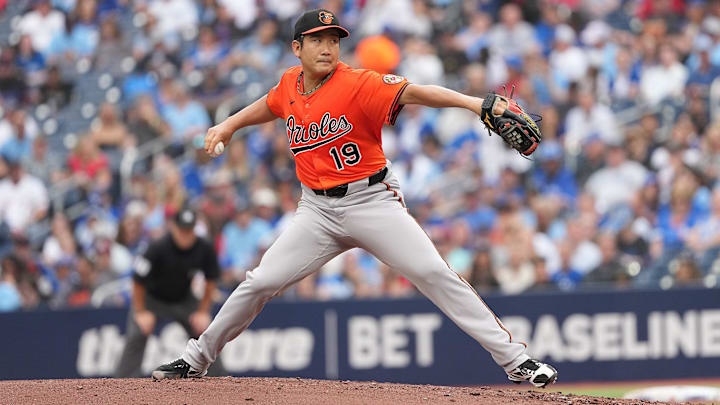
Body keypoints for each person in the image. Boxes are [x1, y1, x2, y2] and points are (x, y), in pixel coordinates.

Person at [152, 9, 558, 388]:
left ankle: (515, 360)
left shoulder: (357, 82)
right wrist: (228, 124)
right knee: (260, 282)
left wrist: (475, 104)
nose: (328, 47)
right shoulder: (289, 84)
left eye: (334, 39)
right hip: (316, 211)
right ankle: (196, 359)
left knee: (433, 273)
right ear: (298, 48)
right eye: (317, 40)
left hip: (371, 202)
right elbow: (270, 104)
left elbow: (417, 93)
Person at [115, 208, 223, 377]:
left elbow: (211, 281)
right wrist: (141, 312)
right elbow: (137, 281)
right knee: (137, 333)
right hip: (153, 299)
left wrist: (203, 311)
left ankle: (221, 381)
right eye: (182, 230)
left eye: (189, 230)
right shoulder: (158, 246)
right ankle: (122, 385)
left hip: (183, 299)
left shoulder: (204, 247)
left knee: (207, 334)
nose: (185, 235)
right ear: (173, 227)